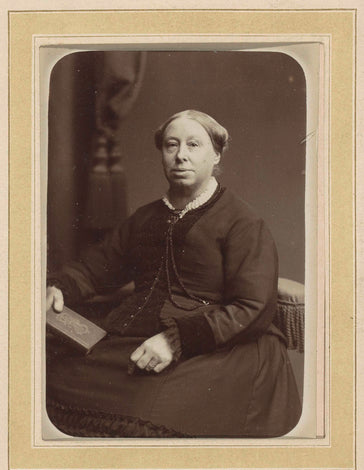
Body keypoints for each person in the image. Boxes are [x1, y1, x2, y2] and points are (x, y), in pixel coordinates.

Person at [46, 110, 302, 438]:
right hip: (137, 337)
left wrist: (174, 340)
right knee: (55, 376)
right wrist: (60, 287)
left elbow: (253, 307)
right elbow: (96, 269)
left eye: (193, 145)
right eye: (171, 145)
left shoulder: (243, 223)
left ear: (216, 155)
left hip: (218, 346)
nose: (181, 155)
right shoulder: (144, 218)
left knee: (144, 410)